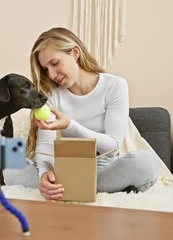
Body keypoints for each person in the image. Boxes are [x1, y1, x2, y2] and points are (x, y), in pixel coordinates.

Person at [27, 27, 159, 201]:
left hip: (105, 170)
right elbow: (45, 147)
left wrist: (70, 125)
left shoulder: (115, 86)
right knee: (10, 166)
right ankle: (76, 188)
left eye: (54, 63)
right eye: (45, 69)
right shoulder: (52, 96)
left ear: (75, 53)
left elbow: (112, 145)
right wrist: (44, 175)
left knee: (145, 162)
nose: (51, 75)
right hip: (66, 171)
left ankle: (77, 188)